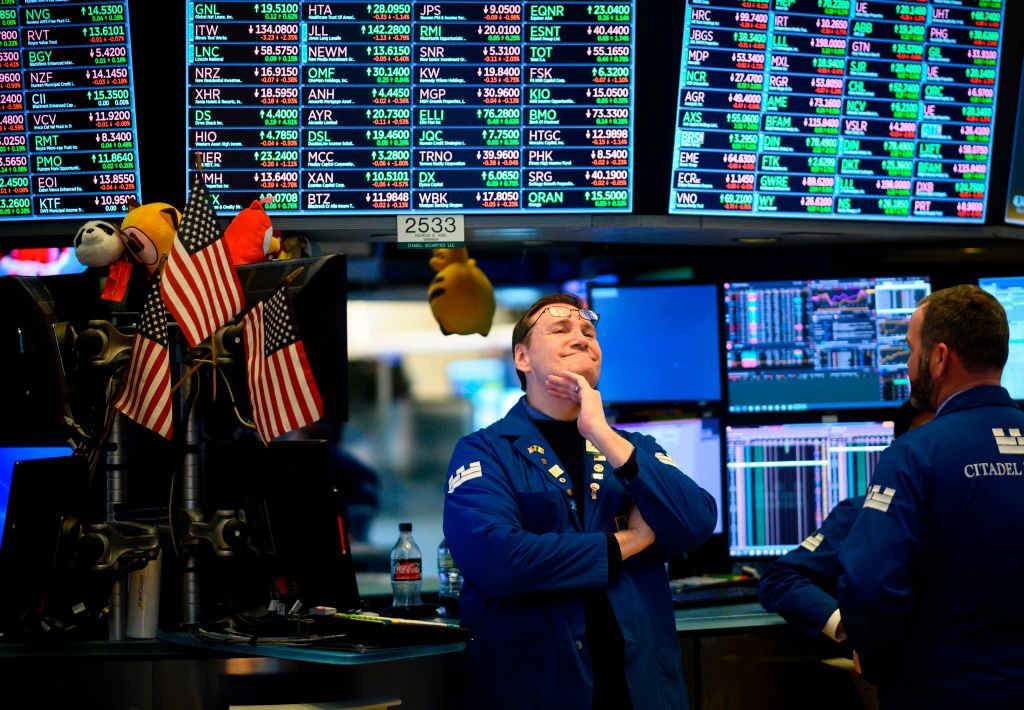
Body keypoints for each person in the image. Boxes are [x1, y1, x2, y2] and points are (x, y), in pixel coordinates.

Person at [443, 293, 717, 710]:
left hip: (641, 691)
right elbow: (501, 561)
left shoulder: (632, 449)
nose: (581, 337)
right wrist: (631, 541)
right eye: (560, 329)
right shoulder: (484, 452)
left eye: (589, 331)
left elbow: (695, 522)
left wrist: (601, 432)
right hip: (536, 693)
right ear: (522, 358)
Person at [838, 285, 1024, 708]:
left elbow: (870, 583)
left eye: (910, 350)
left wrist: (878, 663)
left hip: (942, 692)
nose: (907, 364)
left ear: (939, 358)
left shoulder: (914, 455)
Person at [757, 401, 933, 642]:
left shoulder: (975, 513)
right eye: (925, 441)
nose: (936, 453)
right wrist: (846, 625)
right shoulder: (861, 514)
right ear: (896, 450)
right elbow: (779, 579)